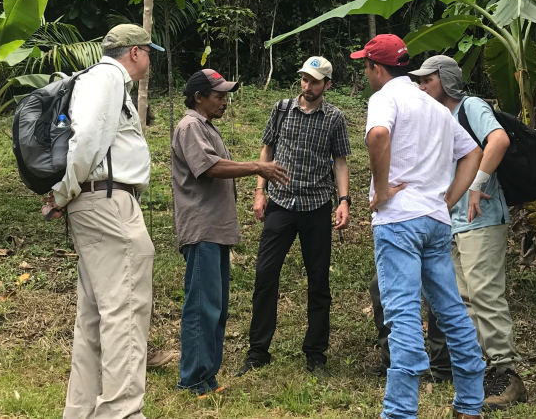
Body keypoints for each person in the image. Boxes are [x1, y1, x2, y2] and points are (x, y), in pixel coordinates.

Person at [358, 34, 486, 419]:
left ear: (377, 69)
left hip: (399, 221)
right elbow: (473, 152)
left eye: (366, 66)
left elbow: (379, 134)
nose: (366, 73)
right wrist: (446, 200)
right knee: (450, 311)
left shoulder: (385, 97)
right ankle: (469, 405)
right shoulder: (434, 107)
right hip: (434, 221)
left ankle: (399, 412)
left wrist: (381, 189)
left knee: (402, 314)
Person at [41, 24, 162, 419]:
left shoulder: (104, 82)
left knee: (96, 315)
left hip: (99, 199)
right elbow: (87, 137)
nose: (149, 59)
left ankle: (83, 412)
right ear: (134, 53)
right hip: (108, 200)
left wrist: (67, 193)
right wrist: (63, 191)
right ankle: (122, 413)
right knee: (126, 307)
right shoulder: (108, 78)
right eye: (148, 52)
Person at [412, 54, 527, 409]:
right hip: (454, 220)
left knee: (484, 294)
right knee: (462, 298)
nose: (420, 86)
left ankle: (506, 374)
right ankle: (482, 373)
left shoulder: (470, 105)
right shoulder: (436, 117)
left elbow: (498, 141)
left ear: (445, 81)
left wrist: (477, 185)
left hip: (483, 216)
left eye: (427, 80)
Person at [171, 69, 289, 396]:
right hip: (201, 229)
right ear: (199, 97)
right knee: (202, 305)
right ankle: (193, 380)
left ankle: (206, 377)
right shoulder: (191, 126)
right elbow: (209, 168)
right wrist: (258, 166)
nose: (224, 100)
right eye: (218, 95)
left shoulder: (205, 127)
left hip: (215, 230)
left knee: (216, 306)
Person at [234, 56, 352, 379]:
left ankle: (315, 353)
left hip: (316, 206)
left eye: (314, 81)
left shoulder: (335, 119)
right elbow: (266, 150)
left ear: (327, 85)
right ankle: (258, 351)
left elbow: (340, 161)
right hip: (281, 204)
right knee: (265, 275)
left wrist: (344, 200)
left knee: (318, 281)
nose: (307, 86)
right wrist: (260, 191)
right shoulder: (282, 109)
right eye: (304, 79)